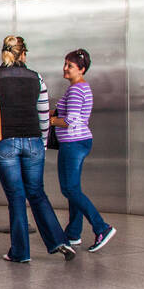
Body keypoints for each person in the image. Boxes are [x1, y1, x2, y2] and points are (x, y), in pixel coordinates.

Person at [0, 36, 76, 264]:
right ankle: (60, 242)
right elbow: (44, 114)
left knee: (16, 197)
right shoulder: (36, 78)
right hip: (33, 141)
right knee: (37, 193)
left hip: (4, 142)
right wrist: (41, 143)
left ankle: (20, 252)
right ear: (24, 54)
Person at [49, 49, 117, 253]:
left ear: (82, 69)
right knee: (74, 189)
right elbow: (66, 113)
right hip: (78, 142)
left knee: (69, 189)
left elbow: (69, 121)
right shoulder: (79, 88)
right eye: (65, 63)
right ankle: (73, 234)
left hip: (73, 143)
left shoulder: (77, 90)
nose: (65, 68)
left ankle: (102, 227)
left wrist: (49, 121)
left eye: (70, 65)